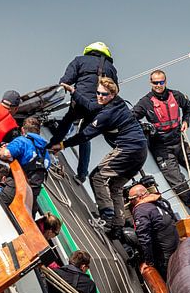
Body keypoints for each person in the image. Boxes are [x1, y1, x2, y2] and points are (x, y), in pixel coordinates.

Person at [50, 77, 148, 237]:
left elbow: (85, 136)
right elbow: (90, 105)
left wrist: (62, 145)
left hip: (128, 150)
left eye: (104, 94)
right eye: (98, 93)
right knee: (115, 187)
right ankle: (117, 226)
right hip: (140, 151)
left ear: (112, 95)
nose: (100, 96)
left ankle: (107, 218)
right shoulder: (116, 101)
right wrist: (74, 92)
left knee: (97, 177)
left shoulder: (106, 114)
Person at [132, 69, 190, 211]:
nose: (158, 85)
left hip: (180, 142)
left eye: (161, 82)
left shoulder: (176, 95)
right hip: (162, 148)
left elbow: (188, 106)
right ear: (150, 83)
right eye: (155, 82)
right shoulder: (145, 102)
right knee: (179, 183)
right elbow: (131, 117)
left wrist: (186, 121)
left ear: (165, 81)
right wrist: (143, 127)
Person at [51, 42, 119, 183]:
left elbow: (65, 81)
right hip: (98, 107)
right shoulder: (111, 68)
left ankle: (52, 148)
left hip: (80, 102)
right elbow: (115, 90)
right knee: (84, 136)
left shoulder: (79, 60)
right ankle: (82, 174)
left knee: (67, 121)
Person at [0, 116, 51, 215]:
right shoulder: (45, 153)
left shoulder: (22, 141)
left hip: (15, 189)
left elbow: (5, 154)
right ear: (38, 133)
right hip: (31, 200)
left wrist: (0, 151)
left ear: (22, 129)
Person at [127, 183, 179, 280]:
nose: (131, 202)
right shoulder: (161, 201)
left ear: (139, 197)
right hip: (176, 246)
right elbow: (173, 220)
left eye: (131, 199)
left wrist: (149, 262)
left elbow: (145, 239)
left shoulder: (140, 211)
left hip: (164, 256)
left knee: (169, 279)